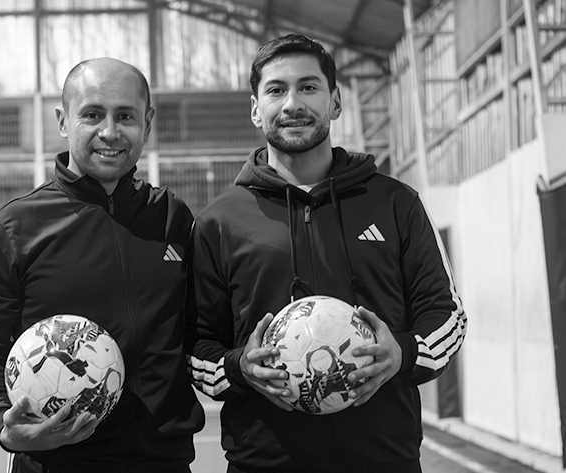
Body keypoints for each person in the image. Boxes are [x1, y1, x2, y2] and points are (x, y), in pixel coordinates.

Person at [187, 34, 467, 473]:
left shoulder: (396, 204)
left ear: (335, 102)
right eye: (276, 90)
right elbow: (196, 344)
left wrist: (403, 353)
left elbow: (447, 316)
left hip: (384, 461)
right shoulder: (218, 222)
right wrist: (240, 368)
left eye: (309, 87)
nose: (293, 103)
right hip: (264, 464)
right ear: (256, 109)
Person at [0, 57, 204, 473]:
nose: (110, 131)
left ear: (147, 123)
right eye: (92, 114)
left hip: (165, 462)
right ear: (63, 121)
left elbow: (200, 332)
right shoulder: (12, 229)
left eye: (125, 116)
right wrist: (2, 423)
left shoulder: (172, 218)